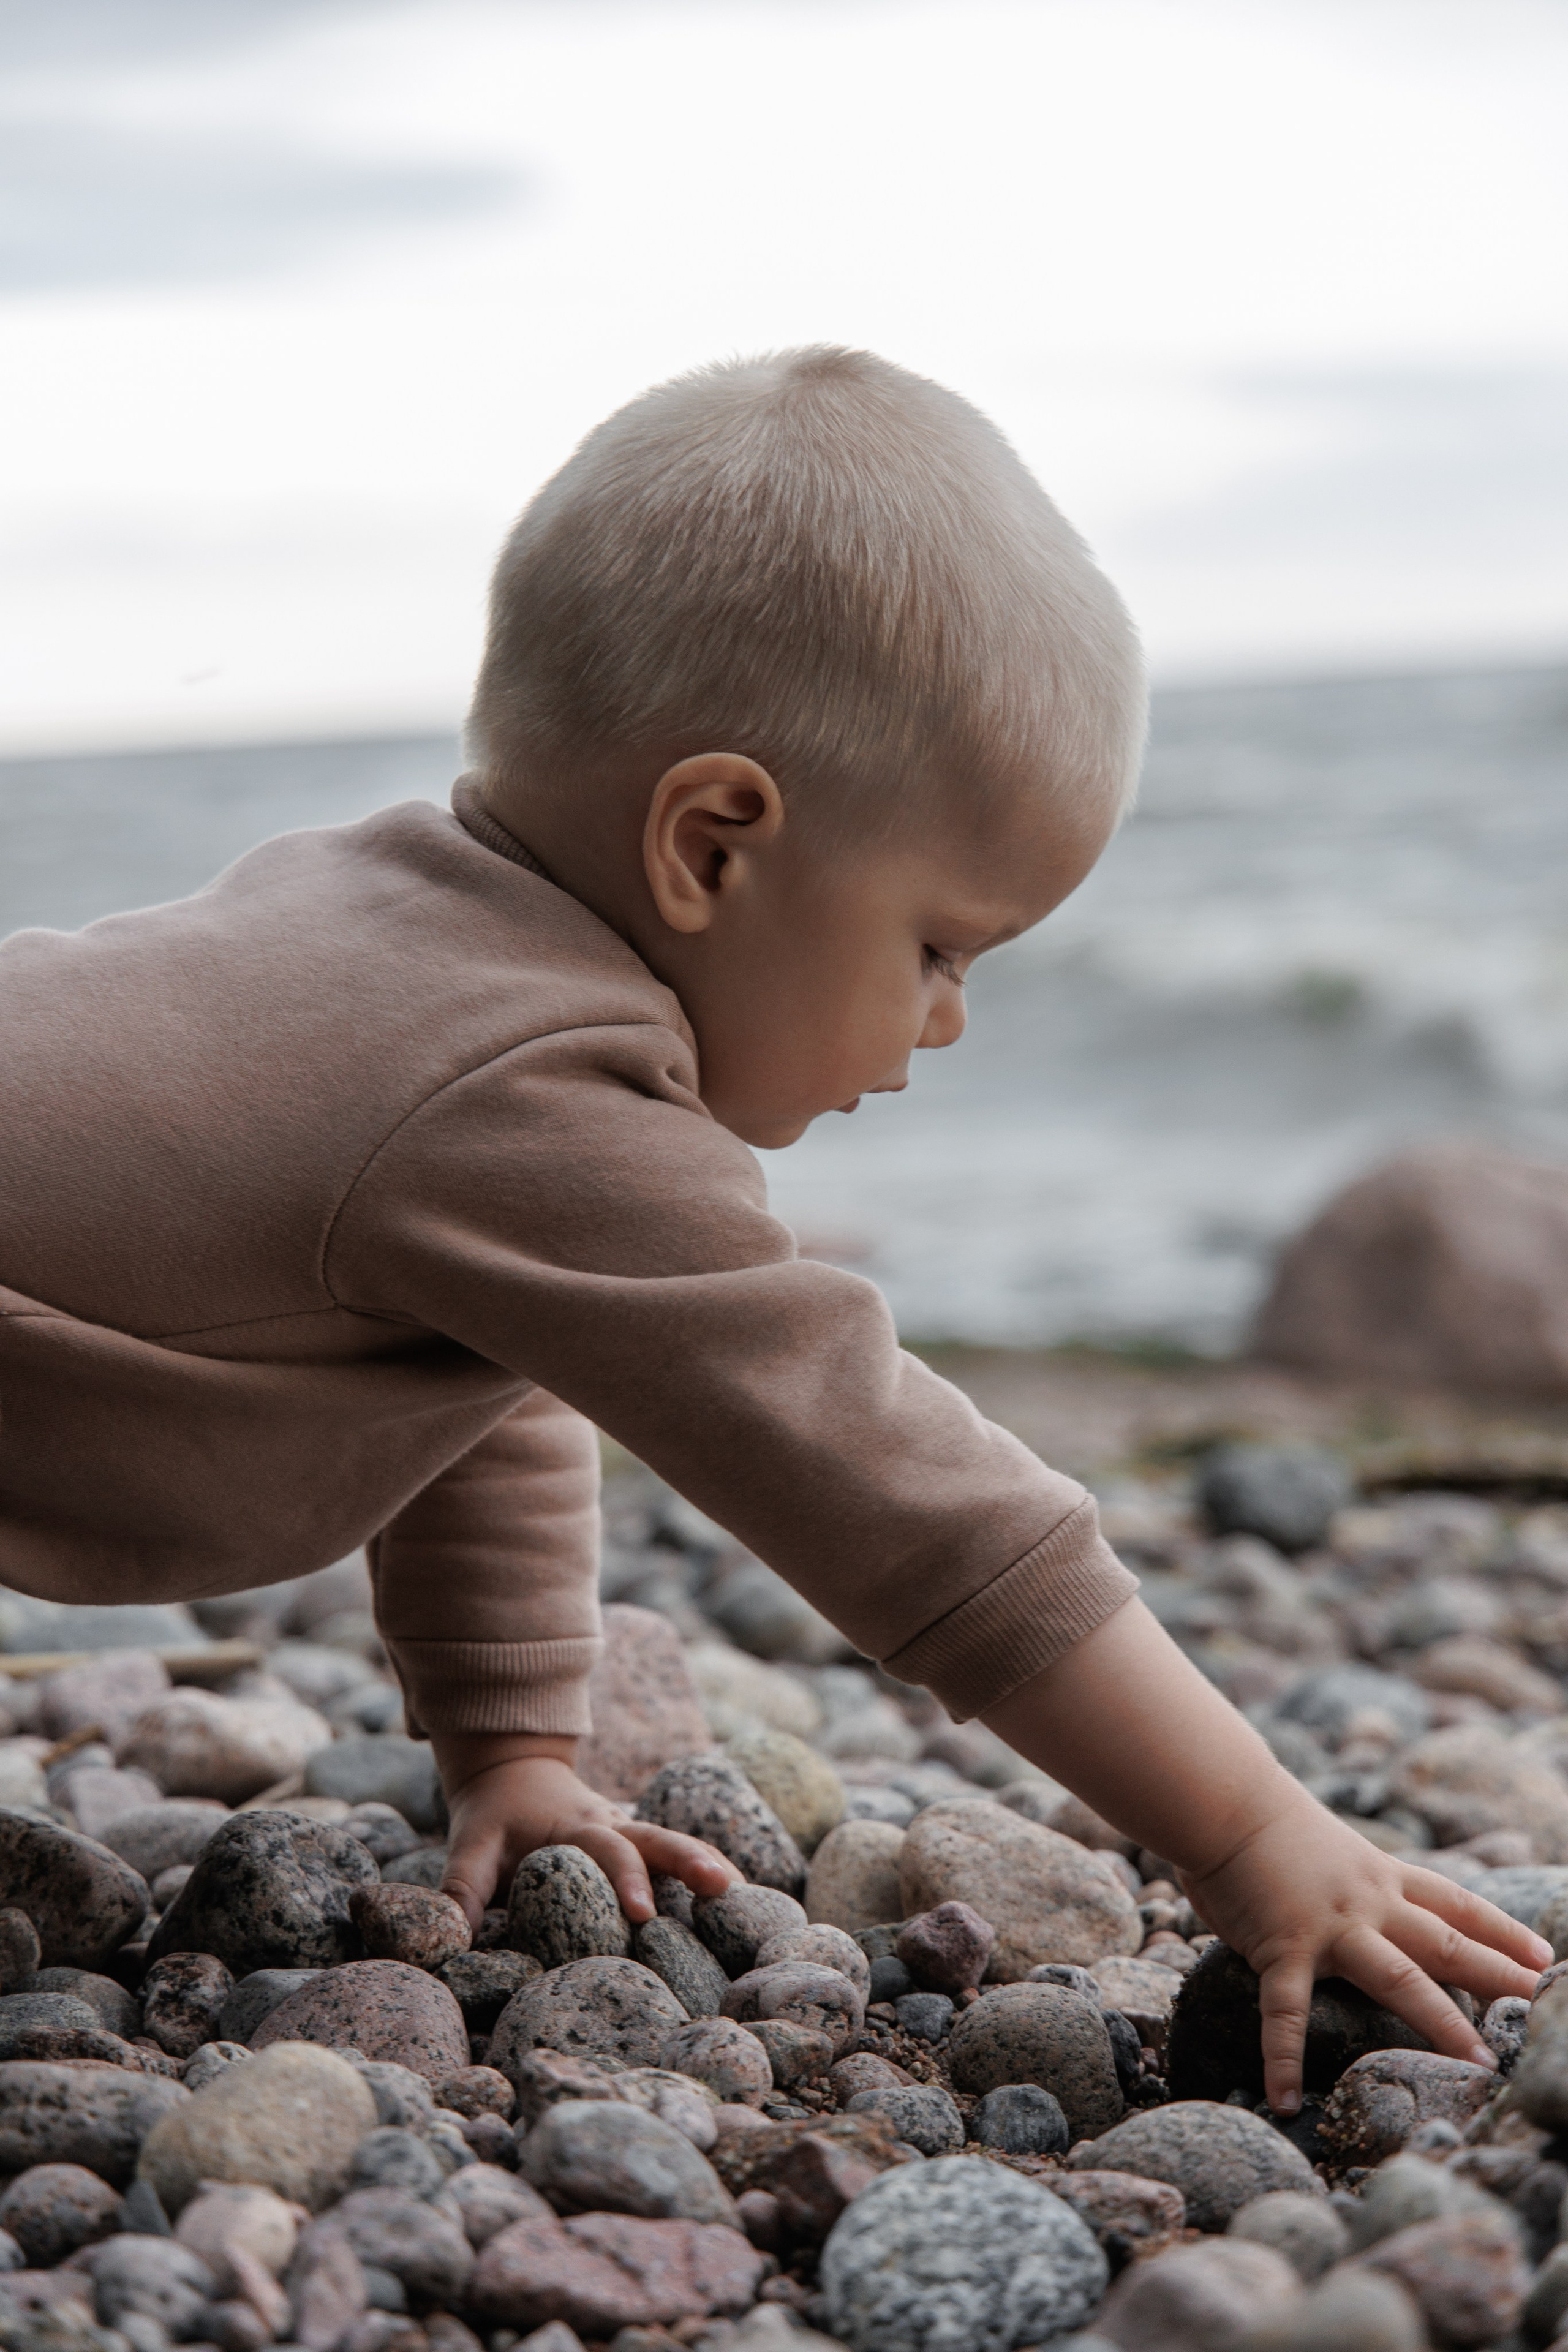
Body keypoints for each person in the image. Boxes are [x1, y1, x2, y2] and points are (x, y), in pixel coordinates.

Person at [0, 348, 1544, 2112]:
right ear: (715, 845)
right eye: (941, 947)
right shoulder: (510, 1084)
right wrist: (1256, 1836)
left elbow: (483, 1377)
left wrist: (512, 1747)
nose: (951, 1019)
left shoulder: (398, 960)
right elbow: (894, 1488)